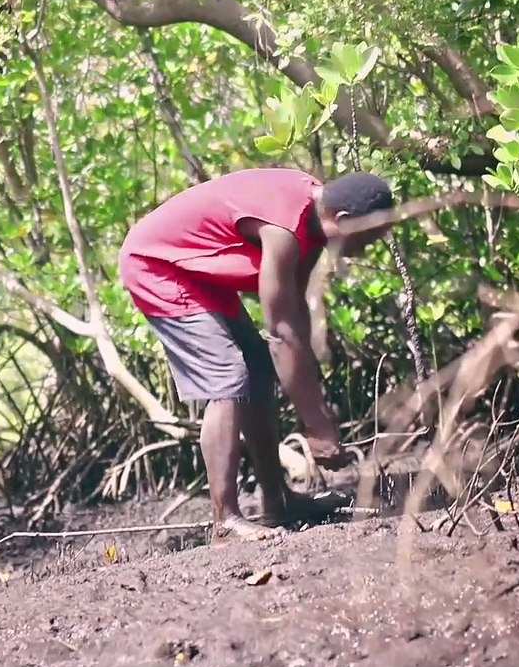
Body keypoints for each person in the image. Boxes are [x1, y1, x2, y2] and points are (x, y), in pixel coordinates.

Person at [118, 168, 394, 542]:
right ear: (343, 221)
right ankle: (225, 521)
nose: (368, 247)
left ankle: (278, 504)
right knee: (228, 377)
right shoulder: (284, 228)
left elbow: (293, 322)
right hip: (156, 265)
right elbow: (280, 332)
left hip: (197, 273)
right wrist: (316, 426)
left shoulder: (312, 228)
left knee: (258, 368)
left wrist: (318, 416)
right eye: (370, 236)